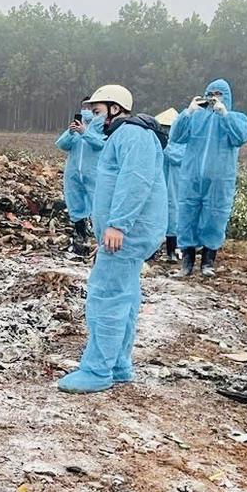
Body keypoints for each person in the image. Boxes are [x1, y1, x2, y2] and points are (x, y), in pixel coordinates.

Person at [58, 84, 168, 394]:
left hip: (126, 234)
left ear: (115, 109)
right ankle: (118, 365)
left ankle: (97, 370)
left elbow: (135, 182)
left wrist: (118, 225)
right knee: (125, 296)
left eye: (96, 111)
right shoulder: (123, 135)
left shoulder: (133, 134)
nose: (92, 118)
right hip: (126, 234)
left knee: (106, 296)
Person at [170, 78, 247, 276]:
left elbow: (241, 137)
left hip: (219, 180)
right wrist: (187, 112)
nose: (214, 98)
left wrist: (225, 115)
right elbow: (176, 136)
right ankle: (187, 263)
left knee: (215, 217)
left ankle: (208, 262)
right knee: (186, 216)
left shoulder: (237, 118)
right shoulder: (196, 117)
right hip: (191, 177)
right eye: (211, 94)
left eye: (219, 94)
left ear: (227, 97)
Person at [55, 103, 105, 256]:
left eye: (91, 108)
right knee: (75, 203)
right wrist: (71, 132)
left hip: (94, 173)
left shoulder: (103, 128)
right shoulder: (77, 129)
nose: (87, 111)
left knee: (98, 205)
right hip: (74, 173)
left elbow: (101, 144)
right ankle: (80, 236)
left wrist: (85, 132)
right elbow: (62, 144)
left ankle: (100, 239)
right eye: (85, 108)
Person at [155, 108, 183, 262]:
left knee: (172, 216)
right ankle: (156, 250)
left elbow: (177, 157)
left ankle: (171, 251)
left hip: (174, 187)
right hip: (163, 186)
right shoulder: (158, 145)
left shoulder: (180, 146)